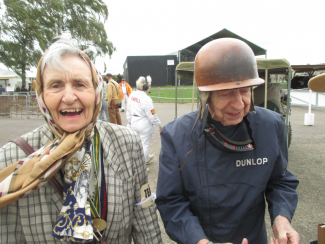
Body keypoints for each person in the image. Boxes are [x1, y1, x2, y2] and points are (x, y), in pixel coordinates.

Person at [0, 39, 162, 244]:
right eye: (56, 85)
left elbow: (145, 218)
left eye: (79, 84)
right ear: (41, 94)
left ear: (95, 91)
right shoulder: (10, 159)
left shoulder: (127, 143)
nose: (69, 97)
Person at [156, 38, 299, 244]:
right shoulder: (176, 135)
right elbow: (171, 202)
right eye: (226, 93)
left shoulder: (271, 125)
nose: (239, 103)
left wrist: (282, 218)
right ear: (205, 96)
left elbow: (280, 181)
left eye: (245, 90)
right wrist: (200, 241)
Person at [127, 76, 162, 167]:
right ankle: (142, 165)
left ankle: (145, 158)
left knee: (136, 144)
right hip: (144, 124)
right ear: (146, 87)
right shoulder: (147, 99)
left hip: (134, 122)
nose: (150, 87)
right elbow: (152, 116)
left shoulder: (132, 95)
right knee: (145, 145)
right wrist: (159, 125)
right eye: (149, 85)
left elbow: (128, 109)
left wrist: (130, 121)